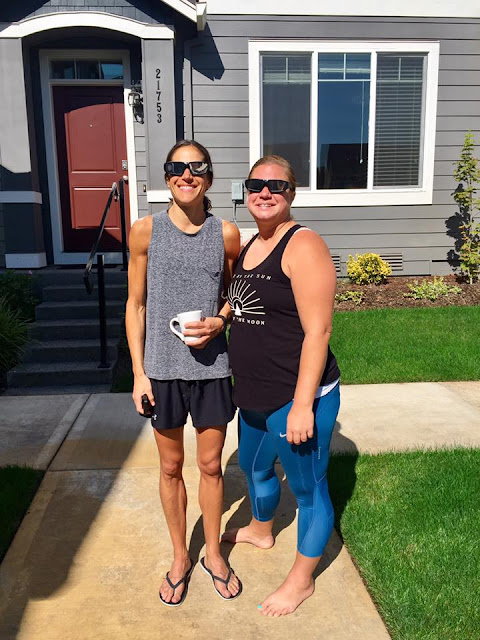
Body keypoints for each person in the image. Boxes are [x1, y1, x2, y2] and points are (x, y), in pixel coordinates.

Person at [222, 155, 340, 617]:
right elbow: (244, 303)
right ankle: (261, 529)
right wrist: (219, 320)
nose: (265, 192)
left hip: (295, 396)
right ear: (246, 191)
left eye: (277, 185)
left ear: (292, 193)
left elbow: (318, 332)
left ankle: (301, 581)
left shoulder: (302, 244)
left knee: (309, 491)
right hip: (253, 392)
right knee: (253, 469)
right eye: (256, 184)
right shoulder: (251, 243)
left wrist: (303, 405)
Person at [126, 140, 242, 606]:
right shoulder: (145, 232)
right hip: (162, 371)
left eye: (197, 167)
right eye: (177, 167)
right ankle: (180, 557)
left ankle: (213, 553)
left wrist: (221, 321)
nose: (186, 175)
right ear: (166, 177)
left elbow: (233, 296)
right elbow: (135, 305)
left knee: (211, 466)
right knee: (171, 467)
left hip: (212, 369)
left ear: (208, 177)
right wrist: (139, 373)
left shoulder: (226, 234)